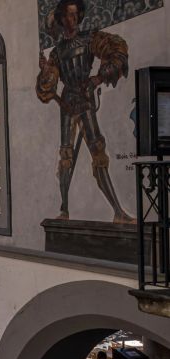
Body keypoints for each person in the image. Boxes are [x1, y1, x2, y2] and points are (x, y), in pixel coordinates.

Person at [36, 0, 133, 223]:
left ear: (78, 16)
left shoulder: (90, 38)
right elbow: (45, 90)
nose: (70, 20)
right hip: (68, 103)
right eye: (66, 16)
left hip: (86, 99)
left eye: (73, 15)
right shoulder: (57, 52)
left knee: (98, 151)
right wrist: (46, 72)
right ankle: (64, 210)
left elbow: (117, 50)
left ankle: (118, 211)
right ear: (61, 19)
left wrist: (98, 78)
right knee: (66, 157)